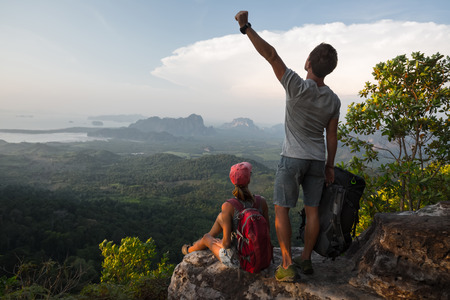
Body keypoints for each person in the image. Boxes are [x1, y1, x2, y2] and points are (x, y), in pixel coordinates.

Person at [235, 11, 340, 282]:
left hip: (292, 157)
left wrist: (245, 27)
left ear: (308, 62)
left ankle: (287, 264)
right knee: (313, 209)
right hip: (317, 161)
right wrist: (330, 166)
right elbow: (332, 136)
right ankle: (306, 260)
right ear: (330, 70)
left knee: (282, 208)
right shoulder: (334, 100)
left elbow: (270, 54)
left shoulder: (295, 85)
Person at [181, 162, 270, 269]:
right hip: (263, 256)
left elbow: (226, 244)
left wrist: (220, 242)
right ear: (249, 179)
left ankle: (189, 250)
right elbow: (267, 231)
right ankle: (202, 242)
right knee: (220, 217)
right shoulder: (262, 202)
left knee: (206, 238)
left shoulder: (229, 206)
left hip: (240, 261)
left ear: (232, 181)